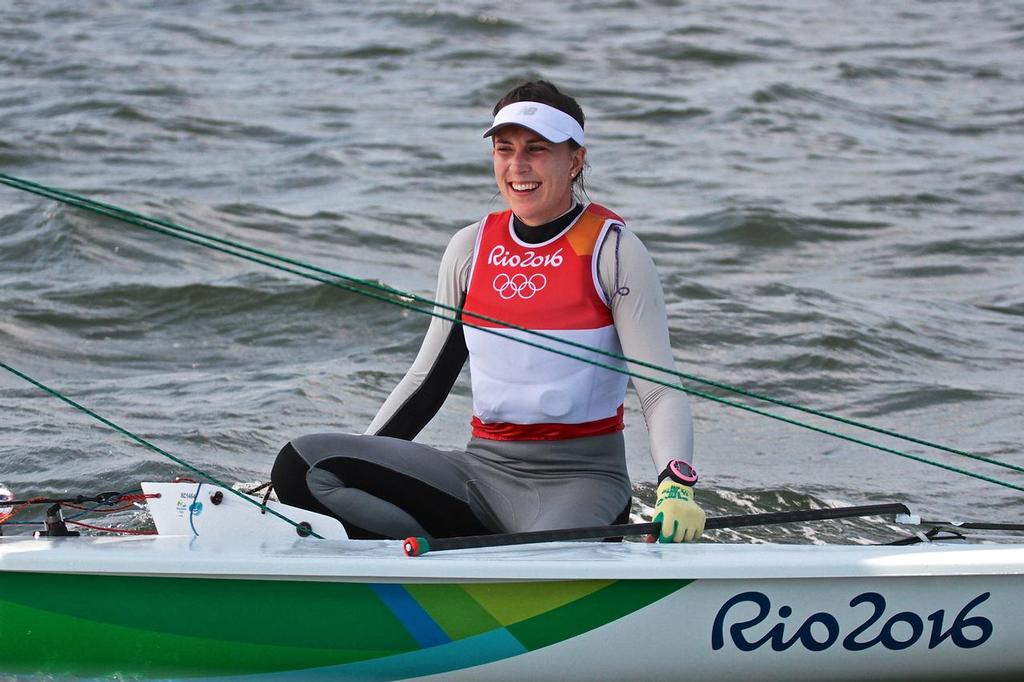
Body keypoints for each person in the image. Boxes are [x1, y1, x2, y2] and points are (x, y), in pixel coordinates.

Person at [271, 80, 705, 543]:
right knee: (302, 466)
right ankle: (424, 566)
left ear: (575, 160)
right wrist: (361, 456)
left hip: (581, 480)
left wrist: (675, 486)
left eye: (536, 149)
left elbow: (658, 390)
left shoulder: (613, 250)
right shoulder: (470, 247)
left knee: (539, 570)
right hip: (480, 473)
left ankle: (482, 569)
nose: (517, 166)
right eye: (505, 149)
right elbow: (426, 382)